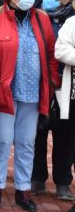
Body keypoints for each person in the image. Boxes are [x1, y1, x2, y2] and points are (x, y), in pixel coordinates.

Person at [0, 0, 60, 212]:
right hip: (3, 93)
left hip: (33, 93)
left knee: (27, 142)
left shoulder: (42, 19)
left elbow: (50, 54)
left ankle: (23, 189)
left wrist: (52, 81)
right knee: (2, 141)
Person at [31, 0, 75, 199]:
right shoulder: (36, 17)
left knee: (65, 136)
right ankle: (37, 179)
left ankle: (63, 182)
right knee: (37, 132)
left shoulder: (72, 22)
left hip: (66, 85)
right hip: (39, 83)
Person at [55, 13, 75, 210]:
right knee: (67, 142)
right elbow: (61, 50)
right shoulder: (72, 22)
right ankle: (63, 182)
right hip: (72, 96)